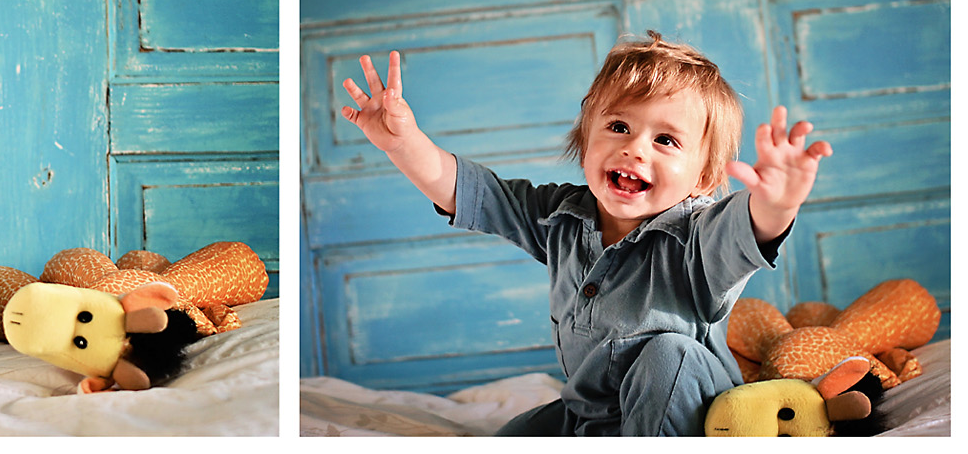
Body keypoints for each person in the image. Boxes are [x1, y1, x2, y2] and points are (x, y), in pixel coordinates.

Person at [339, 31, 832, 436]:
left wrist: (779, 200)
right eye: (619, 126)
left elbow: (749, 229)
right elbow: (474, 193)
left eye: (665, 140)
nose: (636, 149)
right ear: (585, 141)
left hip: (691, 409)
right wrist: (404, 144)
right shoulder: (562, 216)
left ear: (702, 178)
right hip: (592, 413)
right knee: (511, 437)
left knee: (667, 353)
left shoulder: (696, 236)